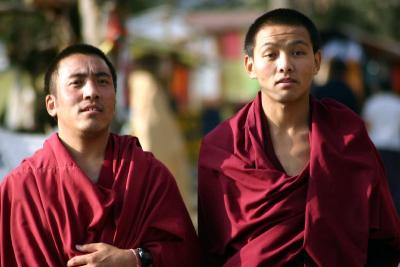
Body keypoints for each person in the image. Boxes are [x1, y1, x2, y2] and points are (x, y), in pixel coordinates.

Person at [198, 8, 400, 266]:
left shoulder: (347, 136)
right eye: (271, 54)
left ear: (317, 62)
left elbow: (381, 234)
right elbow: (209, 247)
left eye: (298, 52)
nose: (285, 65)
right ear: (250, 65)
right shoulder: (222, 147)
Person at [0, 44, 199, 267]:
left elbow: (186, 254)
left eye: (102, 82)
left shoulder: (148, 175)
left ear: (115, 99)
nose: (91, 92)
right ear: (51, 104)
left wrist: (134, 259)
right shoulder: (23, 186)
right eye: (77, 82)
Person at [362, 79, 400, 214]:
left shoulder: (372, 102)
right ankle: (394, 212)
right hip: (395, 147)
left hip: (376, 145)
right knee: (394, 182)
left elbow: (367, 126)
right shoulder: (397, 103)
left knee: (377, 180)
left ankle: (378, 210)